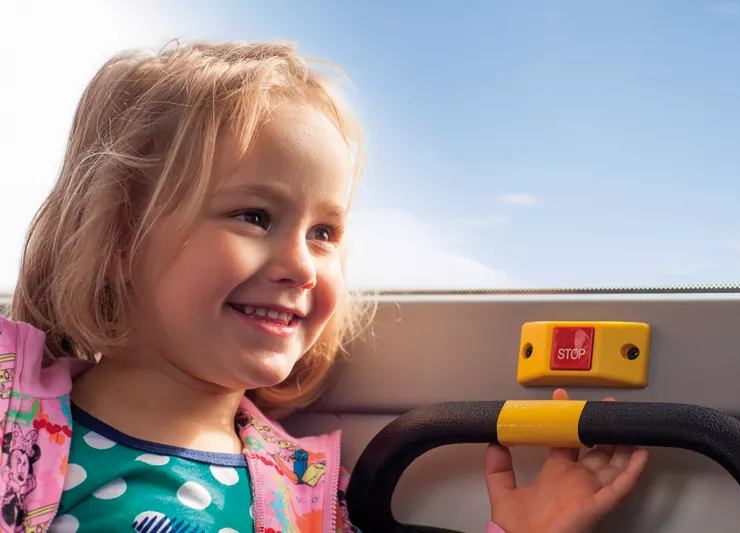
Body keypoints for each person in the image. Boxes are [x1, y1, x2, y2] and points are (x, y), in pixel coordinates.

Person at [0, 40, 647, 533]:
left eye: (325, 233)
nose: (302, 265)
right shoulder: (12, 416)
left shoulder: (303, 492)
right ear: (117, 236)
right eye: (254, 216)